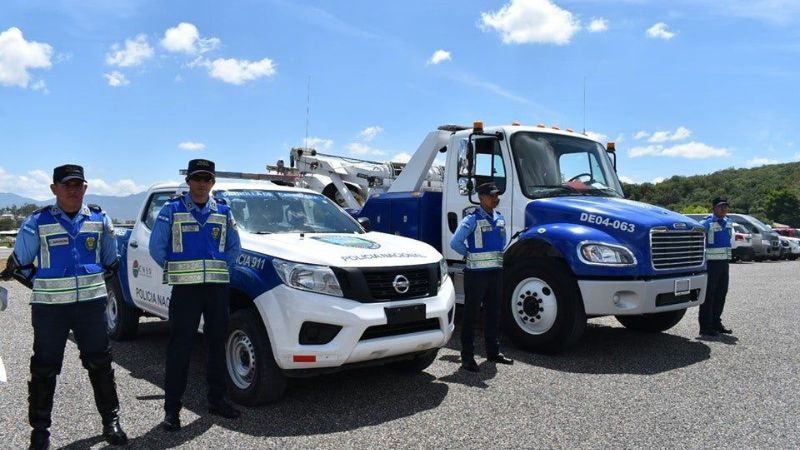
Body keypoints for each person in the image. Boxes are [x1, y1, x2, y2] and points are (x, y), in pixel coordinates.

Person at [1, 164, 127, 449]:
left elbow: (111, 262)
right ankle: (40, 432)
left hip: (91, 308)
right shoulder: (37, 222)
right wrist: (47, 286)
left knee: (101, 363)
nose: (73, 189)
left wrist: (88, 286)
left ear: (85, 187)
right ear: (54, 189)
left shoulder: (99, 218)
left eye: (78, 184)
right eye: (66, 184)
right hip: (50, 310)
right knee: (44, 368)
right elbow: (20, 266)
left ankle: (111, 421)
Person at [149, 159, 242, 431]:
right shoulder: (172, 209)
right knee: (180, 348)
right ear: (188, 181)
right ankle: (172, 410)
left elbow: (234, 248)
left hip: (216, 290)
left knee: (216, 345)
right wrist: (176, 271)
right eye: (197, 178)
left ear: (213, 183)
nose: (202, 184)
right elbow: (157, 247)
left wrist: (222, 271)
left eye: (207, 179)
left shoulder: (223, 212)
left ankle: (217, 400)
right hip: (186, 291)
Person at [449, 182, 513, 372]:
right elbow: (455, 242)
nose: (496, 198)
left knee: (493, 312)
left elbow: (501, 241)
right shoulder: (472, 219)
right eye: (492, 195)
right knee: (471, 315)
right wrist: (468, 255)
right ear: (481, 197)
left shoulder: (499, 218)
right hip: (476, 274)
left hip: (495, 272)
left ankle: (493, 352)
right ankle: (467, 357)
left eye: (497, 195)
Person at [699, 196, 734, 337]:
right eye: (720, 206)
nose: (724, 208)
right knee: (709, 295)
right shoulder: (706, 223)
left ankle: (716, 322)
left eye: (725, 206)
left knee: (721, 294)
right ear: (713, 208)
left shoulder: (728, 222)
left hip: (724, 263)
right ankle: (705, 327)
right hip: (711, 264)